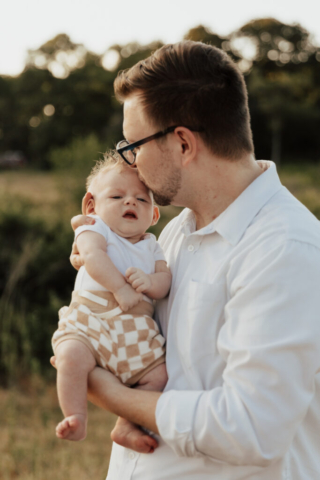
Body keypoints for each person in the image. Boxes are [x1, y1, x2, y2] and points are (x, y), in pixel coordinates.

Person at [66, 41, 320, 479]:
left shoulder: (285, 249)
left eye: (134, 146)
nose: (130, 162)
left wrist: (109, 394)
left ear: (182, 143)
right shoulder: (179, 230)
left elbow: (251, 428)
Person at [52, 153, 171, 445]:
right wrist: (120, 288)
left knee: (159, 377)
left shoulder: (152, 245)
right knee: (70, 356)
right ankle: (76, 416)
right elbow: (93, 257)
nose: (130, 202)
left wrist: (151, 282)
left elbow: (165, 280)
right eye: (117, 196)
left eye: (142, 200)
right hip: (91, 319)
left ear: (153, 215)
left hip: (135, 330)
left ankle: (127, 425)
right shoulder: (94, 228)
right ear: (92, 205)